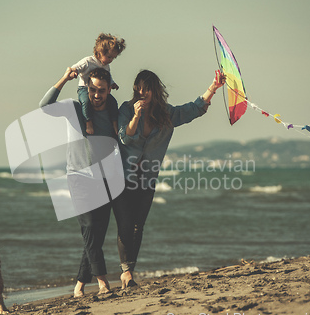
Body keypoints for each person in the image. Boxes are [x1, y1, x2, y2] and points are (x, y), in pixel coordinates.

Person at [114, 69, 226, 288]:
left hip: (147, 177)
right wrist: (136, 116)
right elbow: (125, 138)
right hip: (123, 177)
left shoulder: (166, 115)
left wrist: (213, 87)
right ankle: (125, 271)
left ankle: (129, 272)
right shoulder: (126, 110)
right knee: (125, 225)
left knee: (138, 226)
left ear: (155, 90)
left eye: (146, 88)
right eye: (138, 88)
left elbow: (194, 109)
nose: (142, 92)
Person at [39, 67, 119, 297]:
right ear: (87, 88)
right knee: (90, 228)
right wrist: (65, 77)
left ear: (108, 90)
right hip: (79, 178)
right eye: (92, 89)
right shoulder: (75, 108)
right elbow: (44, 106)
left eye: (101, 91)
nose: (96, 95)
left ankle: (79, 285)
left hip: (106, 180)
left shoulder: (112, 113)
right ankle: (102, 282)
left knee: (95, 237)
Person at [71, 33, 126, 135]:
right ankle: (88, 122)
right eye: (109, 57)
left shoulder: (106, 66)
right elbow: (76, 67)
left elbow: (108, 77)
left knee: (113, 102)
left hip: (99, 89)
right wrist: (74, 72)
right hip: (84, 88)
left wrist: (112, 84)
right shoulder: (88, 61)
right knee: (86, 102)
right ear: (100, 52)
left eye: (112, 58)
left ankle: (115, 125)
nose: (110, 60)